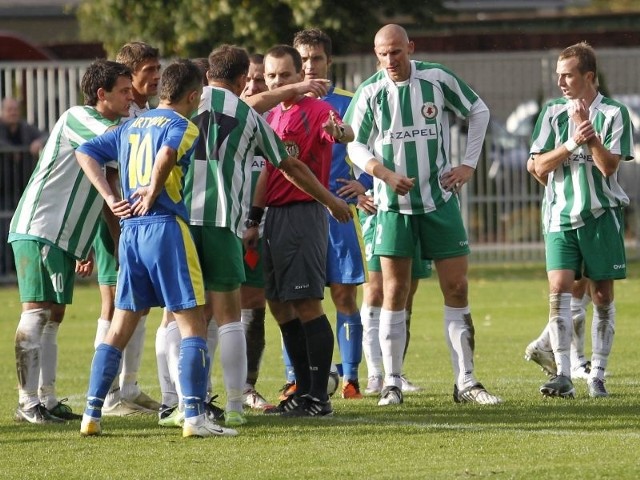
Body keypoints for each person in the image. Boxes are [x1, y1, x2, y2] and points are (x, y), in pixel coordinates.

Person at [76, 59, 237, 438]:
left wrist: (111, 196)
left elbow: (85, 151)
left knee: (121, 325)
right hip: (165, 228)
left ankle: (92, 413)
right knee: (192, 321)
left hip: (131, 231)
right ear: (194, 95)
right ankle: (195, 417)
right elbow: (166, 155)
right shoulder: (183, 124)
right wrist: (153, 188)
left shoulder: (128, 125)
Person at [344, 24, 502, 406]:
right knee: (395, 292)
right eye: (383, 53)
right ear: (375, 54)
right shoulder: (370, 91)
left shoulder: (436, 78)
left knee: (457, 288)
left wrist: (468, 164)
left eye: (396, 52)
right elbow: (354, 143)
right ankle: (392, 383)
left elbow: (478, 110)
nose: (390, 60)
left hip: (439, 202)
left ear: (410, 48)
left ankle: (466, 381)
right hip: (393, 208)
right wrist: (383, 174)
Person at [8, 59, 134, 424]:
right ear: (101, 94)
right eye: (124, 91)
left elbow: (109, 185)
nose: (130, 97)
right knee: (36, 312)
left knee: (54, 314)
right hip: (40, 226)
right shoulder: (78, 117)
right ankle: (28, 402)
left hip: (64, 237)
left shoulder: (113, 125)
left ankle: (46, 399)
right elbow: (122, 142)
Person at [244, 44, 353, 417]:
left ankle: (319, 398)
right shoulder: (271, 115)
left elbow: (339, 133)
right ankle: (303, 392)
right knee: (279, 305)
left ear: (299, 76)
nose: (277, 81)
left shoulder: (318, 111)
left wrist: (341, 132)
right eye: (271, 76)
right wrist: (254, 219)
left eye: (284, 75)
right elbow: (266, 172)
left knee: (307, 303)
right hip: (273, 216)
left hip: (303, 214)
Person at [525, 41, 632, 398]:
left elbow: (608, 167)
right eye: (558, 76)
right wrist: (572, 142)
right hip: (559, 217)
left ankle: (598, 374)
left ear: (589, 76)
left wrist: (589, 133)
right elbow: (538, 166)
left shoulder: (615, 113)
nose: (561, 83)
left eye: (568, 75)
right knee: (559, 292)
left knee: (601, 294)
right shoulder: (551, 113)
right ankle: (564, 374)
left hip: (601, 216)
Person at [274, 28, 367, 400]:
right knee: (294, 298)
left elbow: (363, 141)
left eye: (316, 59)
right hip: (294, 211)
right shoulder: (280, 106)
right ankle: (296, 377)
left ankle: (350, 378)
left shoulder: (345, 101)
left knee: (343, 294)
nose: (310, 66)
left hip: (336, 214)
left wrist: (365, 185)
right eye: (304, 60)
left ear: (329, 61)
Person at [91, 42, 163, 417]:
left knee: (139, 304)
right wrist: (118, 226)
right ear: (128, 72)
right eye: (148, 69)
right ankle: (109, 394)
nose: (156, 76)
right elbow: (108, 172)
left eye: (157, 68)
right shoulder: (117, 115)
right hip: (116, 221)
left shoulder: (142, 111)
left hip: (138, 221)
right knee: (114, 303)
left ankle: (129, 387)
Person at [356, 190, 433, 395]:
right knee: (375, 289)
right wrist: (360, 187)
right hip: (376, 207)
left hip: (417, 205)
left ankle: (395, 373)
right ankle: (375, 374)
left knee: (405, 292)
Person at [238, 53, 273, 410]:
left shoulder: (276, 122)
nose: (252, 86)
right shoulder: (223, 120)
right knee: (202, 310)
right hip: (220, 224)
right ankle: (188, 394)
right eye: (248, 80)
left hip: (260, 229)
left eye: (260, 80)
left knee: (254, 305)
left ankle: (246, 386)